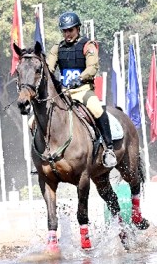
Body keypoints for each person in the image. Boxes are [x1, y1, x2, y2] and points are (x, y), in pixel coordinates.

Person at [45, 11, 116, 168]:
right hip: (64, 92)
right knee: (32, 122)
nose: (67, 34)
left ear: (78, 29)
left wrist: (79, 79)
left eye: (70, 30)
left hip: (83, 90)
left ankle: (109, 149)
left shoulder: (87, 46)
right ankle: (44, 153)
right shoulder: (57, 48)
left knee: (98, 110)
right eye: (64, 31)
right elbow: (49, 68)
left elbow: (92, 68)